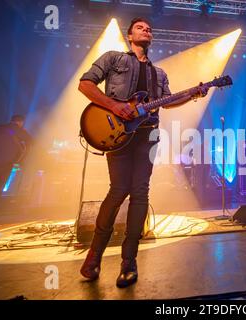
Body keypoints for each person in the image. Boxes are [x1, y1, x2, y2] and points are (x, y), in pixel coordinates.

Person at [78, 17, 208, 288]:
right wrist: (114, 106)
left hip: (148, 133)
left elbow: (169, 101)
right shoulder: (114, 59)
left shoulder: (158, 73)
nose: (147, 30)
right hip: (117, 133)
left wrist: (196, 93)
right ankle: (94, 256)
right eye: (141, 27)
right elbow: (85, 84)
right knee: (118, 190)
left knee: (140, 192)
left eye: (149, 28)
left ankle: (129, 261)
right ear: (129, 36)